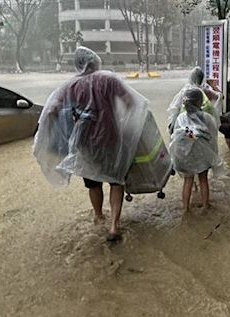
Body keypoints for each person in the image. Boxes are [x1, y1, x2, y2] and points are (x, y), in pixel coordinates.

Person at [33, 47, 149, 242]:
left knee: (93, 183)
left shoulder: (69, 86)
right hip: (111, 138)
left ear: (77, 64)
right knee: (116, 180)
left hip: (84, 143)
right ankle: (114, 225)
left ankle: (98, 216)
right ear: (95, 62)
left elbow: (52, 111)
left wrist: (59, 133)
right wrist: (121, 121)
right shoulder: (108, 79)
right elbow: (130, 102)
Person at [169, 87, 223, 213]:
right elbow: (212, 138)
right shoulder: (207, 118)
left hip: (186, 156)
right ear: (200, 102)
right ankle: (205, 205)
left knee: (188, 181)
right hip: (202, 156)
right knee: (203, 180)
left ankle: (186, 208)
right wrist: (212, 156)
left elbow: (177, 138)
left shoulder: (181, 118)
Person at [167, 67, 222, 133]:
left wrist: (172, 125)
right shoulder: (205, 92)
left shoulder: (184, 91)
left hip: (185, 126)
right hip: (203, 126)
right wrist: (214, 87)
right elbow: (220, 96)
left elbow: (175, 109)